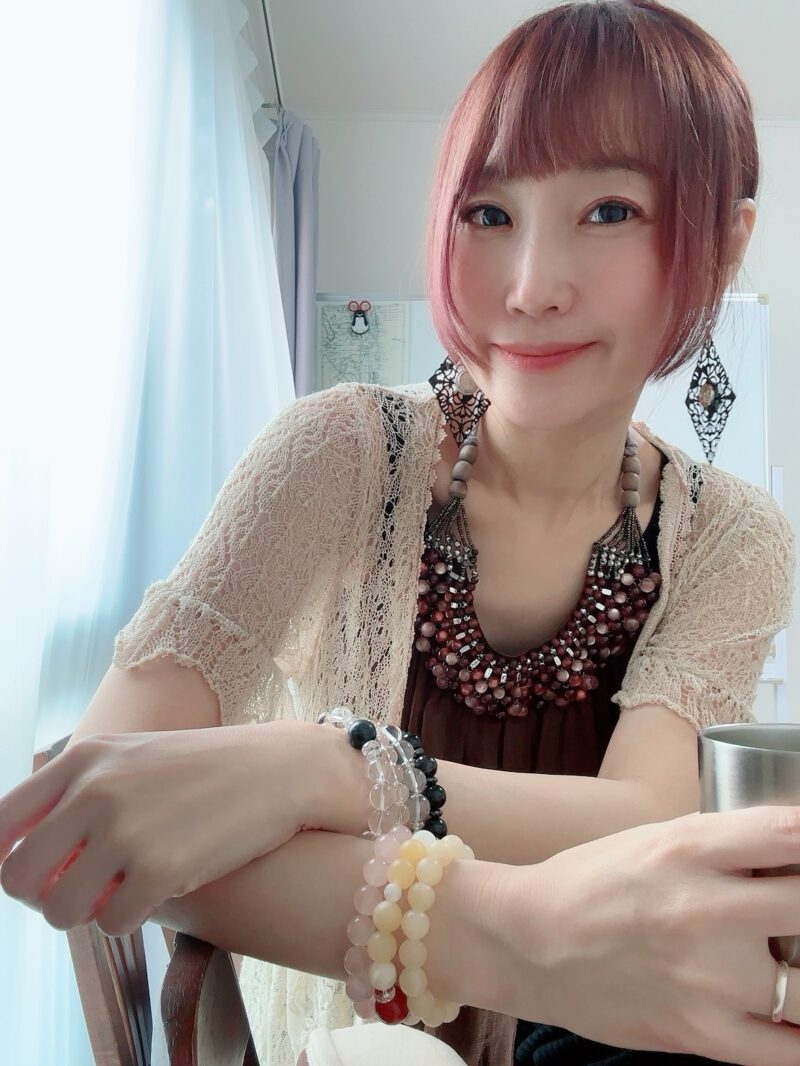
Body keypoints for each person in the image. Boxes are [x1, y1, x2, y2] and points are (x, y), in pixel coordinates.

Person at [0, 1, 796, 1064]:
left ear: (724, 241)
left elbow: (644, 816)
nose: (530, 287)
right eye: (488, 212)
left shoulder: (730, 536)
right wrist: (506, 935)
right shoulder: (337, 455)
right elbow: (105, 807)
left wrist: (333, 773)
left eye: (610, 210)